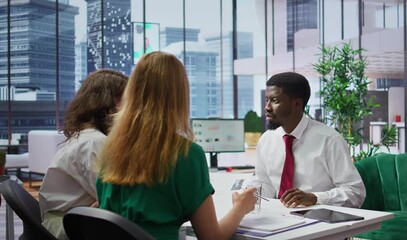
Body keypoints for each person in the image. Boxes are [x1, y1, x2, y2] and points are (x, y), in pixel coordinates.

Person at [96, 51, 257, 240]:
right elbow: (212, 237)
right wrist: (240, 207)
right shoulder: (187, 154)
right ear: (180, 96)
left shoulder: (110, 151)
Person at [39, 69, 128, 239]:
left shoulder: (86, 136)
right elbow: (117, 201)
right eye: (127, 101)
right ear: (110, 103)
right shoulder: (95, 142)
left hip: (67, 220)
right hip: (69, 227)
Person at [256, 72, 366, 208]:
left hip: (319, 221)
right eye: (267, 100)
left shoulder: (330, 140)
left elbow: (355, 192)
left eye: (275, 101)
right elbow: (264, 183)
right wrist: (248, 194)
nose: (267, 107)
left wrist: (315, 198)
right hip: (278, 218)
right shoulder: (266, 140)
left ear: (297, 104)